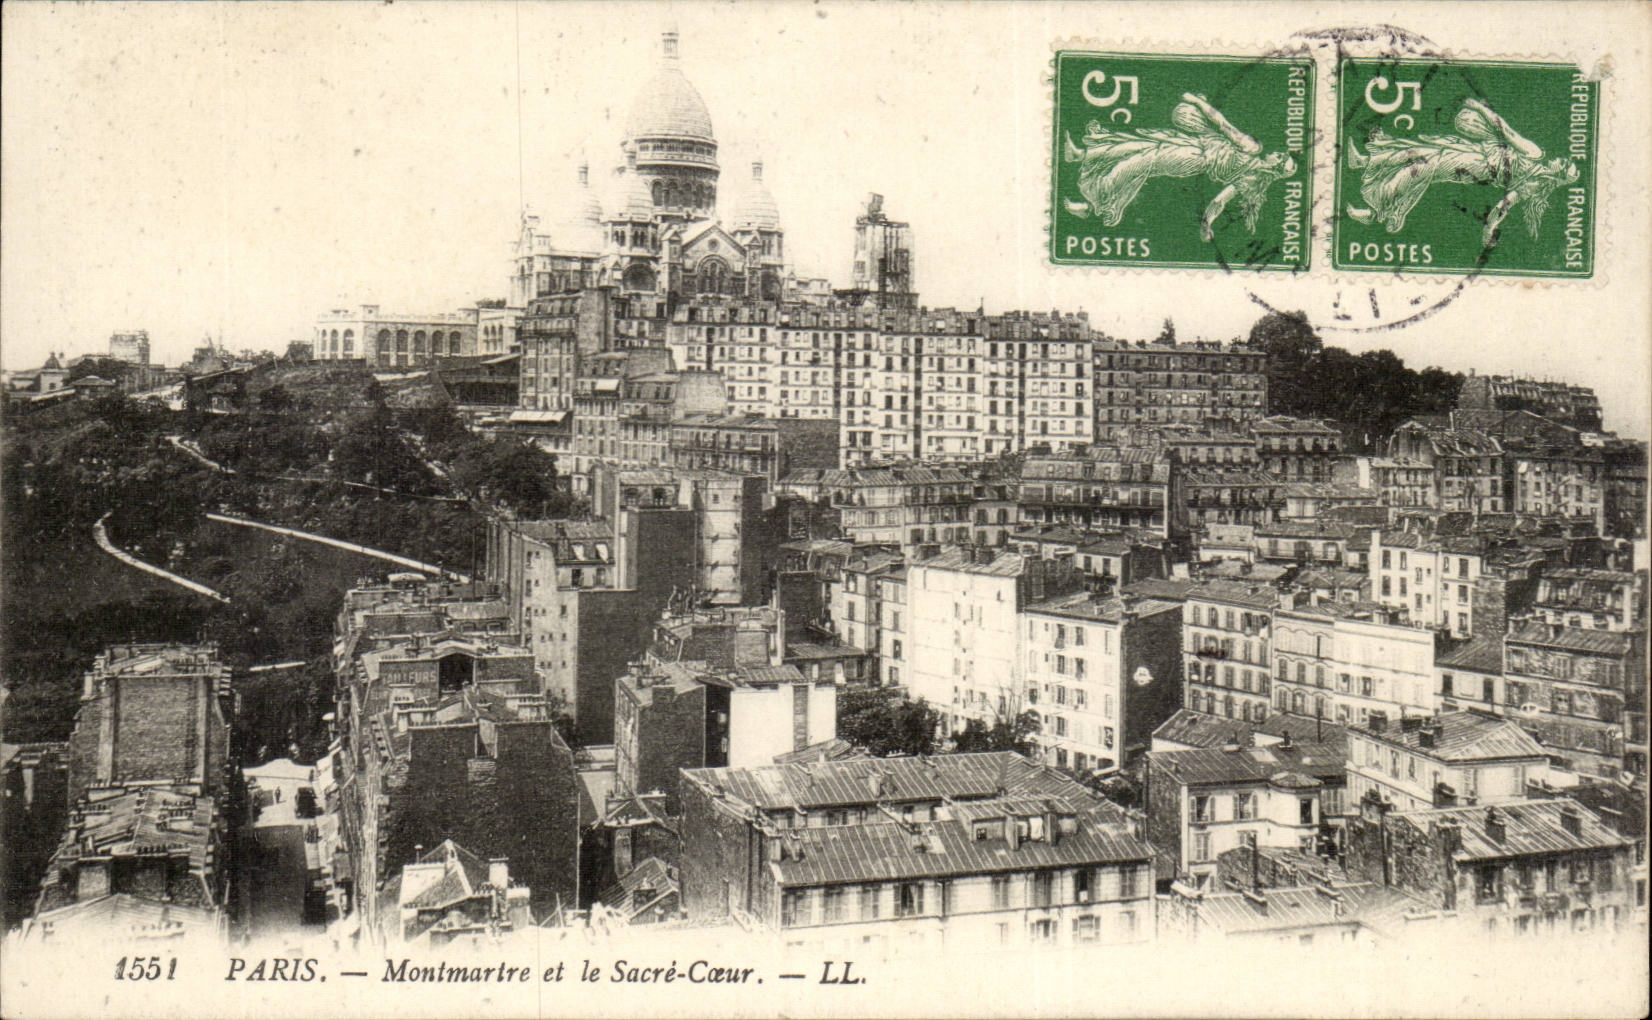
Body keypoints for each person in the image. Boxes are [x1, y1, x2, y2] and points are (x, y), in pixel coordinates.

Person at [1345, 97, 1580, 249]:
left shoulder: (1535, 156)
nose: (1561, 159)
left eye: (1564, 163)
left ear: (1559, 173)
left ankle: (1377, 212)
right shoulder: (1536, 182)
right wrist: (1489, 229)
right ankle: (1364, 162)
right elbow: (1504, 205)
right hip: (1477, 159)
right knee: (1427, 151)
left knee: (1425, 165)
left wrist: (1480, 108)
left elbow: (1505, 130)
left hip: (1476, 163)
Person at [1063, 92, 1297, 241]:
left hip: (1194, 157)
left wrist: (1198, 102)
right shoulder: (1252, 180)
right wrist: (1207, 223)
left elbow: (1223, 124)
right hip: (1194, 145)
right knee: (1141, 145)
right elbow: (1219, 202)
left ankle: (1093, 203)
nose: (1277, 153)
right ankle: (1082, 155)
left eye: (1280, 156)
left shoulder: (1252, 149)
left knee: (1142, 160)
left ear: (1276, 165)